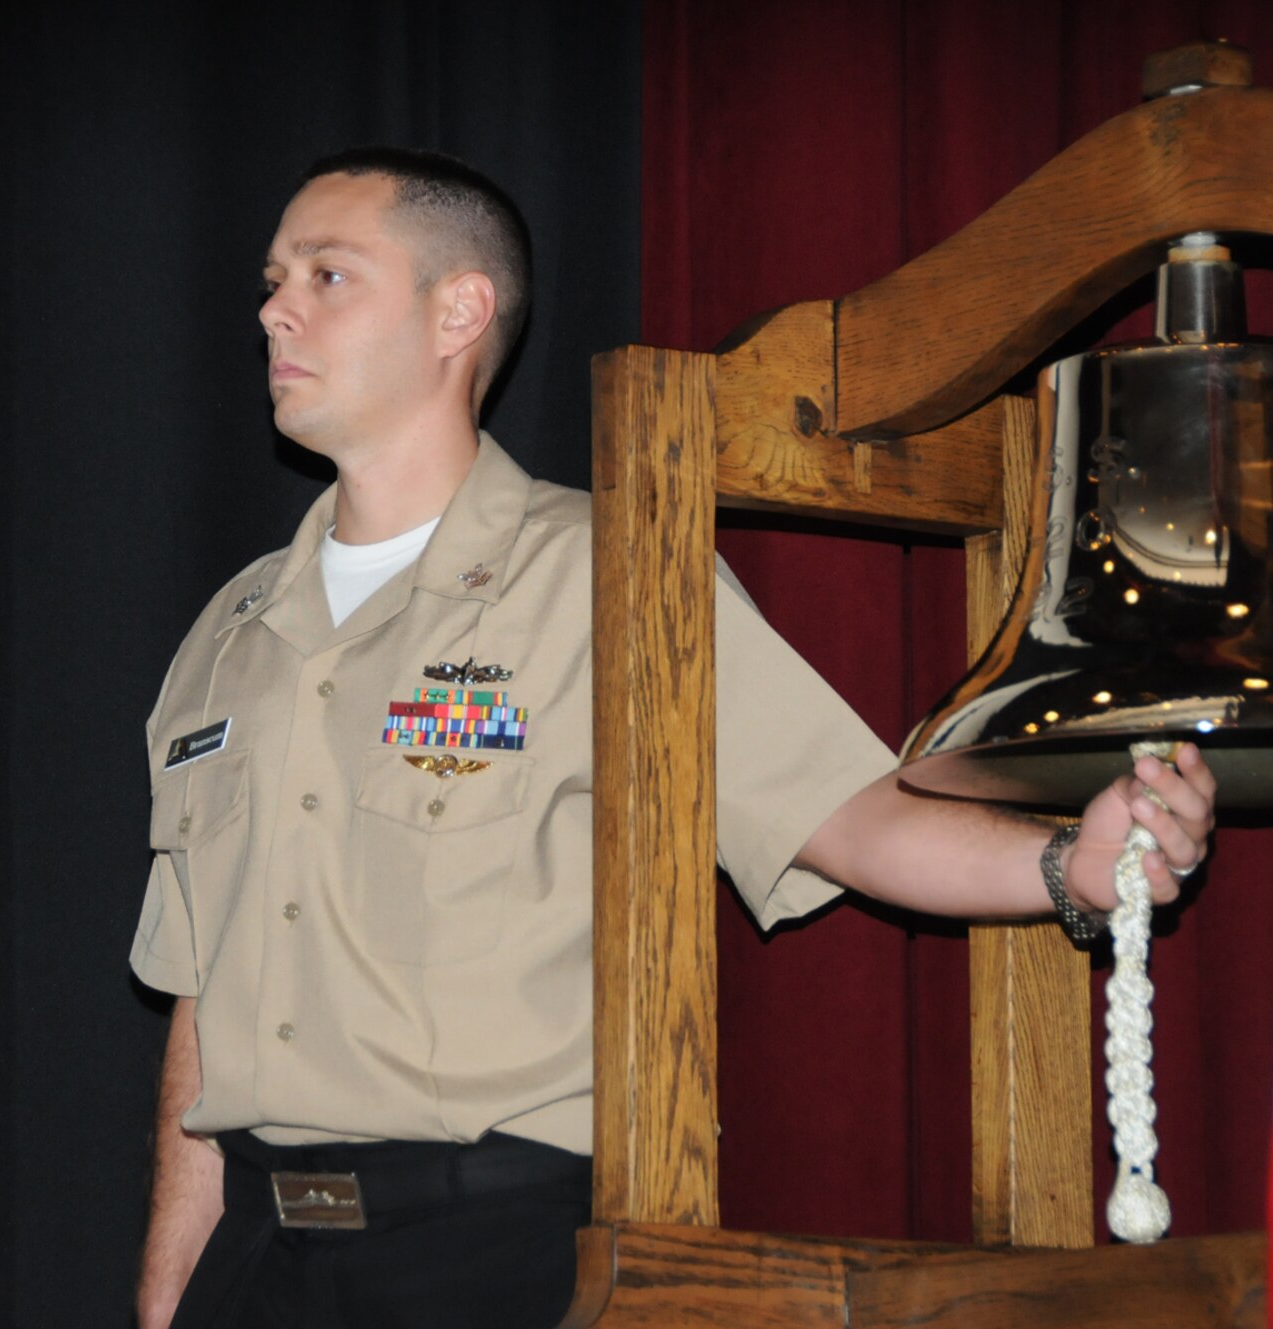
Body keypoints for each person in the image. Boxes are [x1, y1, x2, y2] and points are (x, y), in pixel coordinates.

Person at [130, 147, 1216, 1329]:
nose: (275, 307)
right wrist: (168, 1297)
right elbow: (199, 1000)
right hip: (256, 1260)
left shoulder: (607, 573)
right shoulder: (235, 632)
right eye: (274, 278)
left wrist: (1073, 863)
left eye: (326, 274)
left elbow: (844, 816)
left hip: (492, 1257)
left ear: (458, 311)